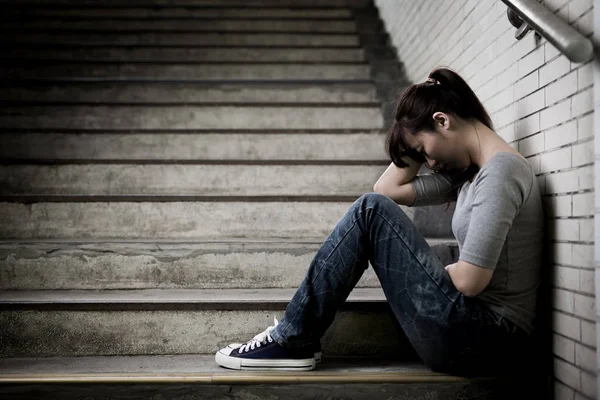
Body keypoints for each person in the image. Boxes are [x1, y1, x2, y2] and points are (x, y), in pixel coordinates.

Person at [214, 66, 545, 377]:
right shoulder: (471, 175)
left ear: (442, 121)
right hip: (473, 331)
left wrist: (422, 274)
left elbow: (471, 280)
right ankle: (294, 337)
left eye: (423, 151)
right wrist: (411, 136)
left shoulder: (501, 173)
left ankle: (291, 339)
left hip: (489, 338)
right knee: (373, 205)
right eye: (420, 156)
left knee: (370, 211)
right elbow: (388, 188)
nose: (429, 162)